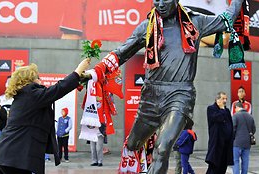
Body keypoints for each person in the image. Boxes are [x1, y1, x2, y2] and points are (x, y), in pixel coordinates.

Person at [84, 0, 244, 173]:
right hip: (151, 97)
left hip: (180, 95)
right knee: (132, 145)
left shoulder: (194, 23)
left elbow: (226, 19)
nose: (160, 4)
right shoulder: (147, 26)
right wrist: (96, 71)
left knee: (162, 148)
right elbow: (122, 52)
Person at [0, 58, 90, 174]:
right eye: (37, 77)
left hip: (9, 157)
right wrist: (78, 70)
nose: (40, 79)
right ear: (29, 80)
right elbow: (59, 89)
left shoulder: (25, 96)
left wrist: (79, 78)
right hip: (16, 158)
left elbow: (53, 91)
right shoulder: (30, 95)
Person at [206, 92, 233, 174]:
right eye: (223, 99)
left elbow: (230, 124)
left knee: (223, 167)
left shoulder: (227, 110)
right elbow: (218, 118)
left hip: (226, 145)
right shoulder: (211, 109)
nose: (225, 101)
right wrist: (221, 109)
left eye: (226, 99)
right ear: (217, 99)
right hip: (217, 144)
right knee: (214, 167)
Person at [232, 102, 256, 174]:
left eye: (235, 108)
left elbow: (233, 129)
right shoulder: (250, 116)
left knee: (235, 161)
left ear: (236, 107)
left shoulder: (235, 116)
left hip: (237, 143)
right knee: (245, 162)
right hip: (247, 143)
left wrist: (232, 138)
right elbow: (254, 129)